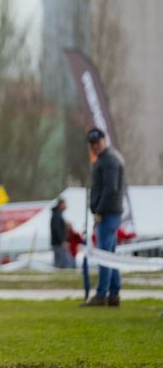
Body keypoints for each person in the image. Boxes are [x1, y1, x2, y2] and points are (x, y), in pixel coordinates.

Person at [82, 128, 126, 307]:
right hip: (109, 212)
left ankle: (101, 294)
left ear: (103, 140)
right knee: (111, 255)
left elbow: (110, 189)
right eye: (92, 144)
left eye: (97, 143)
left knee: (104, 256)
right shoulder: (106, 159)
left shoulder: (109, 161)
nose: (95, 147)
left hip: (108, 214)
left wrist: (99, 211)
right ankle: (114, 294)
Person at [50, 198, 73, 269]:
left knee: (59, 263)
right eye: (65, 204)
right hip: (59, 243)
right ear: (61, 204)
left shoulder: (56, 214)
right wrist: (63, 241)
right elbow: (58, 229)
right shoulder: (57, 215)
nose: (66, 206)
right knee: (63, 263)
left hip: (57, 242)